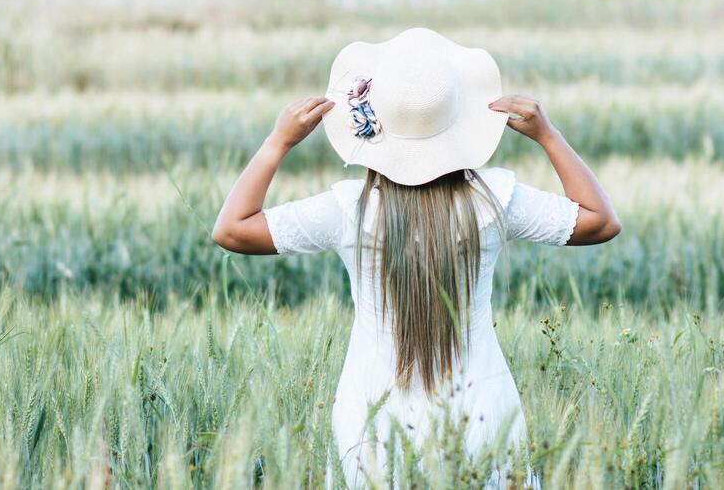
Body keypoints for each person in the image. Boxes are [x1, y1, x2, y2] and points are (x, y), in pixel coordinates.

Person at [212, 27, 620, 487]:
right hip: (482, 417)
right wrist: (549, 135)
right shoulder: (494, 203)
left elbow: (232, 229)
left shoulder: (350, 210)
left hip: (372, 424)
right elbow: (600, 222)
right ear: (460, 121)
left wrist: (277, 143)